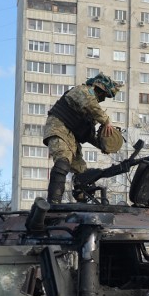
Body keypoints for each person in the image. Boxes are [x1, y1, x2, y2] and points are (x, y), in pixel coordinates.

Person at [43, 73, 124, 201]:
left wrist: (103, 144)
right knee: (63, 161)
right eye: (105, 94)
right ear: (100, 88)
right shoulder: (82, 91)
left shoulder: (90, 111)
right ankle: (53, 202)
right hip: (58, 127)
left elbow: (88, 134)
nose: (104, 98)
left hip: (72, 138)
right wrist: (106, 121)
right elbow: (90, 103)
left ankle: (82, 200)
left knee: (82, 173)